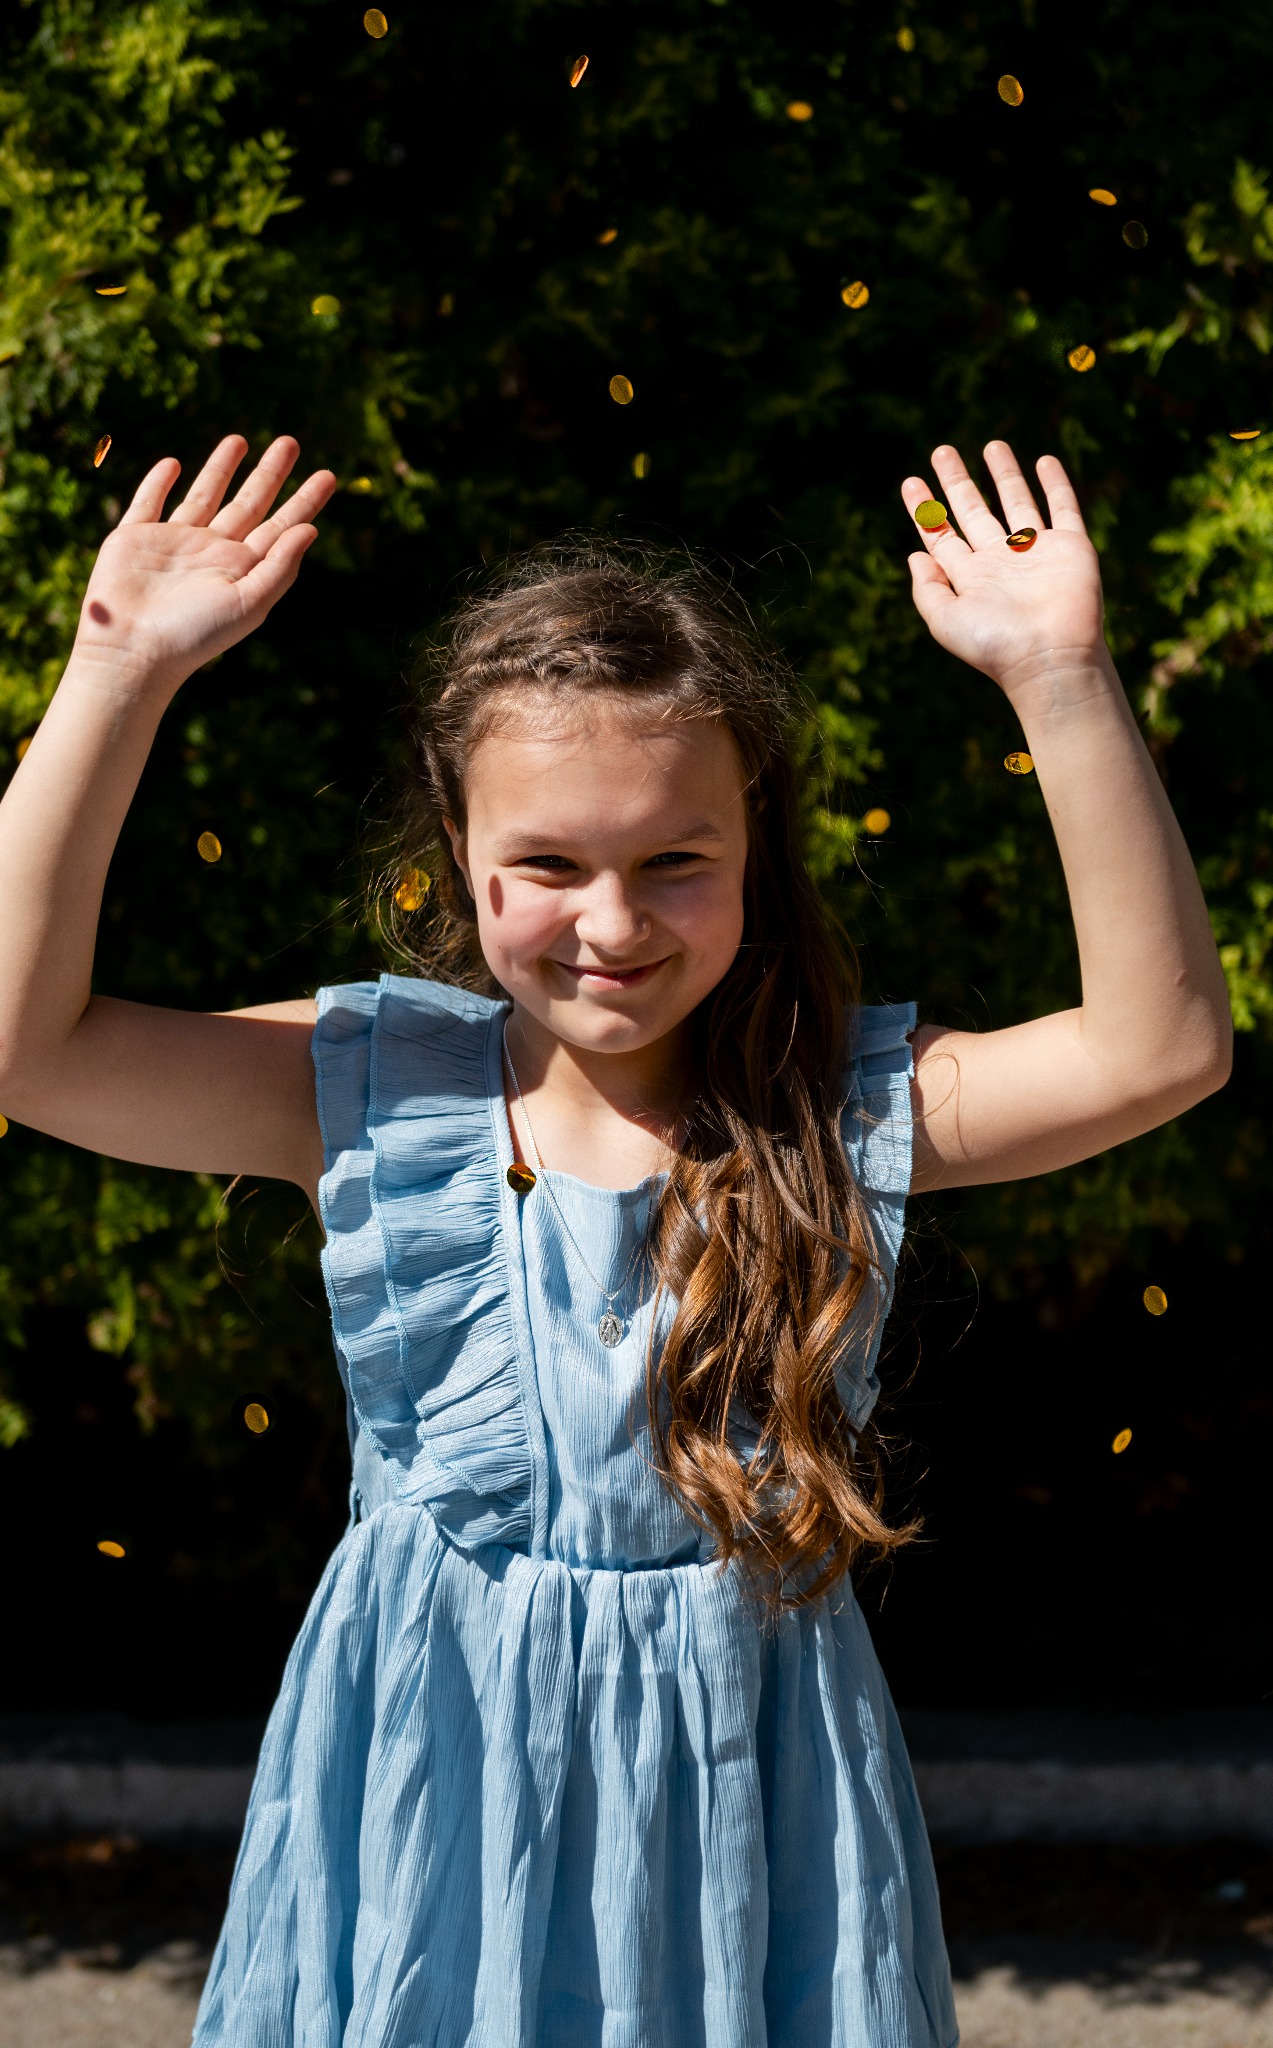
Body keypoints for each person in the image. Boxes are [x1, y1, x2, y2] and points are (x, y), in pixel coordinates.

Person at [0, 433, 1231, 2046]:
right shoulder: (367, 1092)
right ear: (456, 847)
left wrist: (1061, 678)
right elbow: (26, 1046)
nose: (612, 922)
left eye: (674, 860)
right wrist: (117, 675)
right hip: (427, 1801)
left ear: (753, 845)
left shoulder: (832, 1107)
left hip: (747, 1808)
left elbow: (1161, 1048)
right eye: (545, 863)